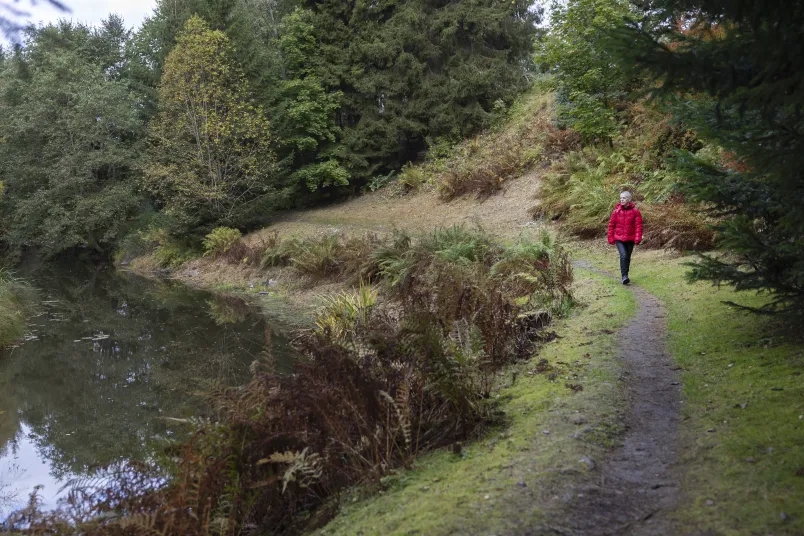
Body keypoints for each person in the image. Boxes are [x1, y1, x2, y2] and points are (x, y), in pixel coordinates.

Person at [607, 191, 643, 285]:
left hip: (630, 238)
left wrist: (637, 238)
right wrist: (610, 238)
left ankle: (626, 275)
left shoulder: (635, 212)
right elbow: (611, 226)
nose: (622, 200)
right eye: (621, 198)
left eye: (624, 198)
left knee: (627, 257)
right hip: (619, 238)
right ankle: (624, 276)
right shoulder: (616, 212)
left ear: (629, 199)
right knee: (623, 255)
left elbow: (638, 226)